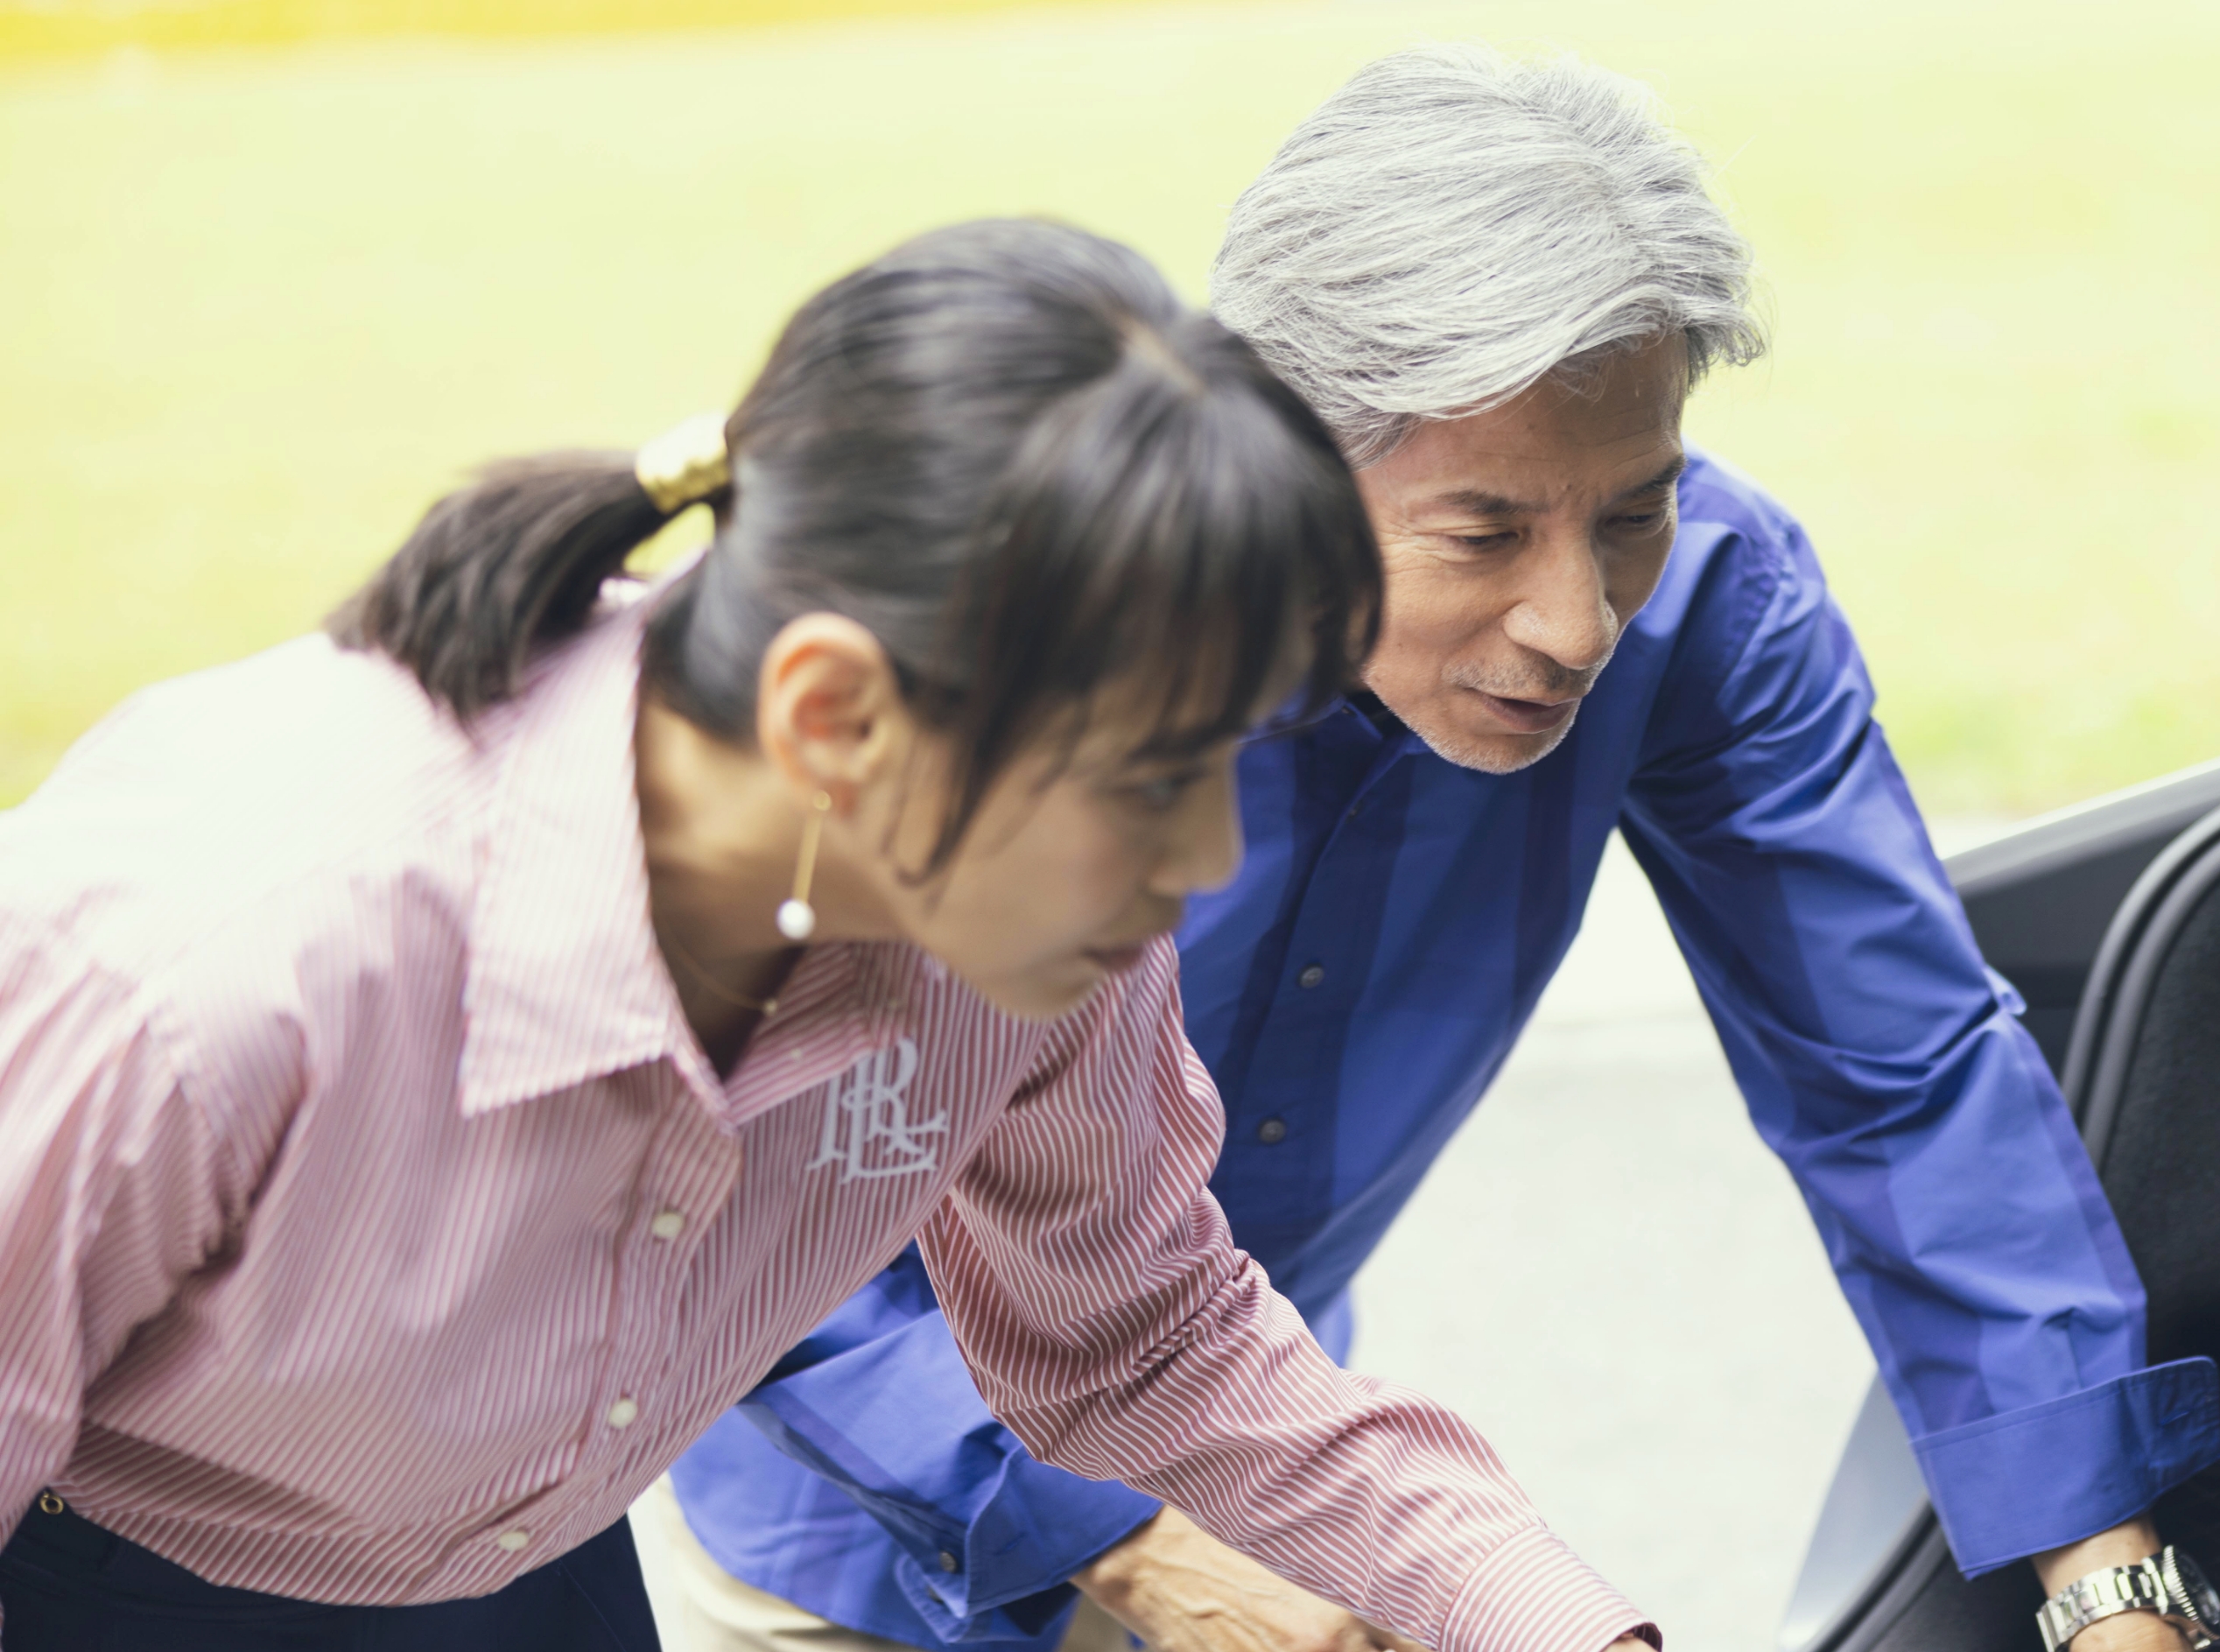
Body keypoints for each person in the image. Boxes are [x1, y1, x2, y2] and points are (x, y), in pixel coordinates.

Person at [650, 51, 2220, 1652]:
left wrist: (2105, 1584)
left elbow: (1895, 1070)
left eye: (1632, 510)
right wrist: (1132, 1550)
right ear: (1278, 451)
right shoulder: (1010, 619)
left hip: (1279, 1460)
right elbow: (726, 1171)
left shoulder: (1711, 598)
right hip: (852, 1527)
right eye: (1481, 533)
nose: (1578, 620)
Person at [0, 218, 1656, 1652]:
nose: (1198, 859)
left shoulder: (1021, 933)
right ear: (834, 715)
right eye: (1149, 778)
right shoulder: (207, 966)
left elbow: (1146, 1331)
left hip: (520, 1578)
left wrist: (1560, 1620)